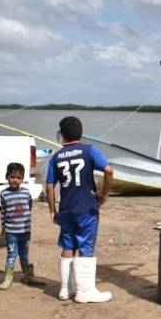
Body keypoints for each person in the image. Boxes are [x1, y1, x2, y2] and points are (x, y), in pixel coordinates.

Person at [46, 116, 114, 303]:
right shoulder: (90, 150)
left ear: (62, 135)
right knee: (86, 246)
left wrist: (52, 210)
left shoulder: (56, 157)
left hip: (66, 208)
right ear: (80, 133)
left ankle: (65, 289)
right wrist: (104, 194)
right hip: (86, 208)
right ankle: (85, 291)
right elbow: (108, 170)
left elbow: (50, 185)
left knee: (68, 245)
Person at [0, 162, 45, 290]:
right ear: (7, 177)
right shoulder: (4, 194)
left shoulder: (26, 193)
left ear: (22, 179)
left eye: (18, 178)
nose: (15, 180)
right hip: (11, 232)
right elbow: (3, 212)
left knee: (24, 254)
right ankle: (8, 278)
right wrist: (3, 227)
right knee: (12, 254)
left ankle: (27, 276)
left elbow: (28, 206)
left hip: (25, 231)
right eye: (12, 177)